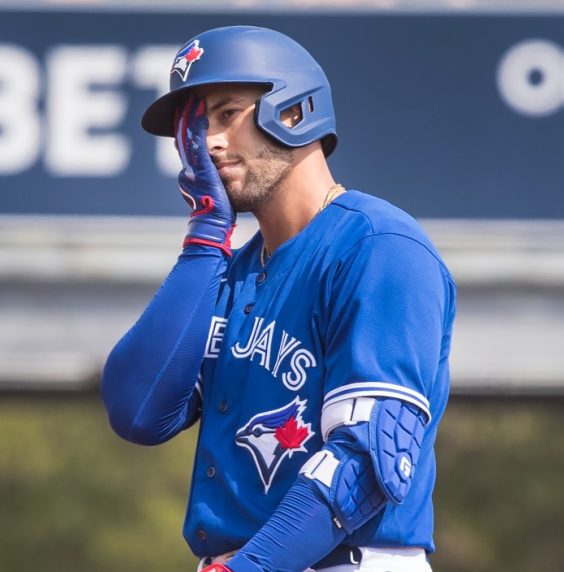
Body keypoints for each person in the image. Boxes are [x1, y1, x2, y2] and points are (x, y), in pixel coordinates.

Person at [101, 25, 456, 572]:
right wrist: (204, 239)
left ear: (294, 111)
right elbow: (138, 411)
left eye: (225, 115)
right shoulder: (233, 273)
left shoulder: (379, 247)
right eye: (194, 128)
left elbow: (369, 465)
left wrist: (250, 568)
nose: (207, 143)